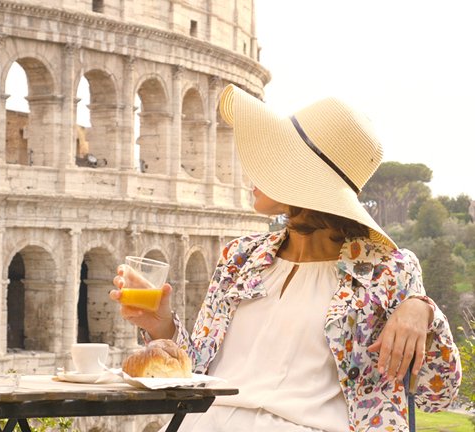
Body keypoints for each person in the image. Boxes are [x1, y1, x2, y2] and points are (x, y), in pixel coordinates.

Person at [110, 84, 461, 431]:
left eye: (274, 158)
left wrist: (425, 312)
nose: (251, 169)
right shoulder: (239, 258)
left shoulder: (389, 271)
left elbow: (437, 394)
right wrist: (160, 324)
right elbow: (197, 369)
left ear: (305, 179)